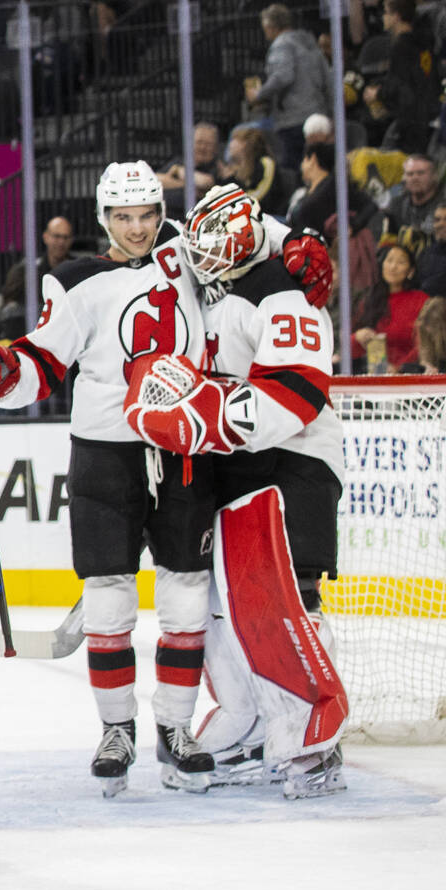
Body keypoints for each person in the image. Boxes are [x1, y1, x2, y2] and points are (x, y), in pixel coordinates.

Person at [0, 162, 218, 798]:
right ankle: (116, 730)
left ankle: (176, 728)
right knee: (108, 596)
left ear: (162, 213)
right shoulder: (76, 280)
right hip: (104, 453)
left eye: (147, 216)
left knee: (186, 592)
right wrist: (2, 371)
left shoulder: (191, 259)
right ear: (104, 218)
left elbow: (249, 243)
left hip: (183, 446)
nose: (137, 229)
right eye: (123, 218)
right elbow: (43, 360)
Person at [123, 183, 347, 798]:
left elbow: (299, 392)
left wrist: (212, 414)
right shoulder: (205, 279)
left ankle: (313, 739)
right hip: (240, 461)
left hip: (295, 458)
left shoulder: (280, 285)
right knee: (226, 605)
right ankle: (249, 725)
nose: (208, 259)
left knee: (291, 599)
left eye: (222, 248)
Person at [245, 5, 329, 171]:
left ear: (270, 25)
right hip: (316, 113)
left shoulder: (281, 45)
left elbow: (283, 76)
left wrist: (259, 95)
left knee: (293, 166)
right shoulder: (309, 43)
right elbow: (327, 76)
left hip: (293, 118)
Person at [363, 0, 441, 155]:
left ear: (396, 16)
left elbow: (398, 84)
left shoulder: (401, 47)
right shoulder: (424, 41)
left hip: (410, 118)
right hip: (428, 109)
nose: (383, 17)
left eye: (386, 12)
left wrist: (377, 92)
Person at [0, 215, 74, 339]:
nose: (61, 242)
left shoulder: (76, 269)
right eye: (57, 236)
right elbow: (7, 303)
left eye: (65, 237)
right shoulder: (26, 270)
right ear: (46, 237)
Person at [353, 243, 428, 372]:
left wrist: (398, 368)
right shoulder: (369, 299)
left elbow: (424, 345)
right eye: (389, 260)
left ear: (411, 271)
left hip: (409, 373)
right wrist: (357, 338)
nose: (393, 267)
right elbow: (351, 350)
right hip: (372, 373)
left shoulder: (421, 300)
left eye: (401, 262)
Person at [288, 142, 379, 245]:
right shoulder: (309, 192)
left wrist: (352, 226)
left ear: (312, 159)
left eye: (304, 160)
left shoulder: (335, 186)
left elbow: (370, 205)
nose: (302, 165)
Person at [220, 126, 292, 218]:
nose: (230, 145)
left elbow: (260, 198)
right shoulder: (241, 170)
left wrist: (231, 181)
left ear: (245, 145)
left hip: (271, 218)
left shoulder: (266, 163)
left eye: (235, 140)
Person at [157, 122, 222, 218]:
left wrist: (178, 172)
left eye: (208, 144)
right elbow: (156, 180)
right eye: (199, 142)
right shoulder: (180, 161)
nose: (203, 147)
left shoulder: (217, 167)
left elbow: (206, 182)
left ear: (216, 148)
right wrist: (188, 185)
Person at [383, 153, 442, 250]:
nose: (415, 178)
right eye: (410, 174)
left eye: (420, 173)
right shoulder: (396, 204)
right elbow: (387, 244)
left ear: (434, 176)